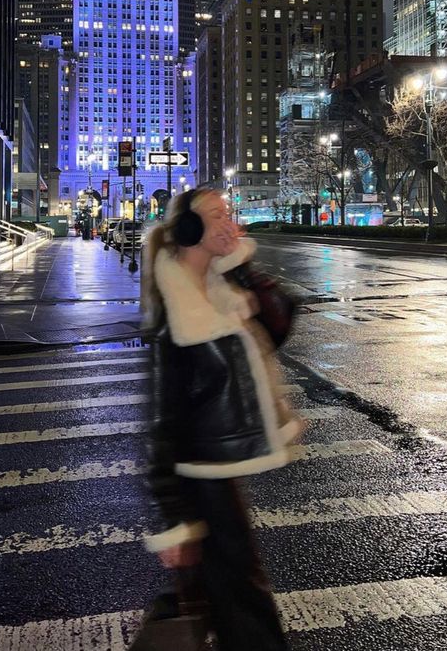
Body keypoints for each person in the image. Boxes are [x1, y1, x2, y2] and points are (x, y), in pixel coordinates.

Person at [138, 187, 302, 651]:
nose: (228, 220)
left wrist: (242, 265)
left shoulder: (218, 288)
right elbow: (161, 421)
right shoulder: (177, 315)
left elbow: (280, 324)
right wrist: (176, 517)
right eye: (216, 214)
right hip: (198, 476)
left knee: (234, 593)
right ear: (189, 230)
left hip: (219, 469)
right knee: (242, 596)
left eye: (228, 211)